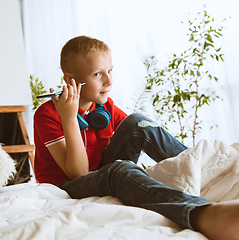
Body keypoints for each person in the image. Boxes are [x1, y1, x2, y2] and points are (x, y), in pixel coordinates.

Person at [33, 35, 239, 240]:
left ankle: (212, 173)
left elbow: (137, 132)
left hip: (98, 171)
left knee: (138, 122)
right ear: (71, 80)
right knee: (120, 169)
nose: (109, 80)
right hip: (68, 185)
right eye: (97, 74)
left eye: (110, 71)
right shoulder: (47, 115)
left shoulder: (104, 107)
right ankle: (200, 213)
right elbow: (79, 173)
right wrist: (69, 118)